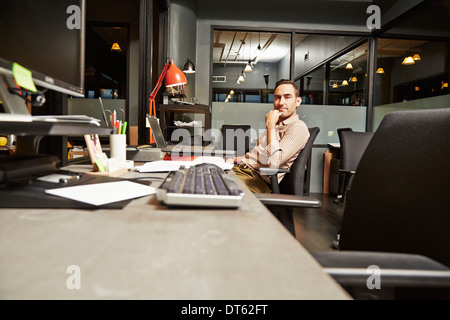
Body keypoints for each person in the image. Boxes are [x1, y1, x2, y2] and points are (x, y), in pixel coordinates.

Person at [227, 79, 310, 193]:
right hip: (241, 170)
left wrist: (270, 126)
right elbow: (258, 157)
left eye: (287, 97)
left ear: (298, 101)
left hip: (255, 179)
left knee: (210, 190)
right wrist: (231, 160)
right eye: (277, 97)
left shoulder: (298, 127)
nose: (281, 102)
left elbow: (273, 163)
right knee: (200, 179)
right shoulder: (276, 123)